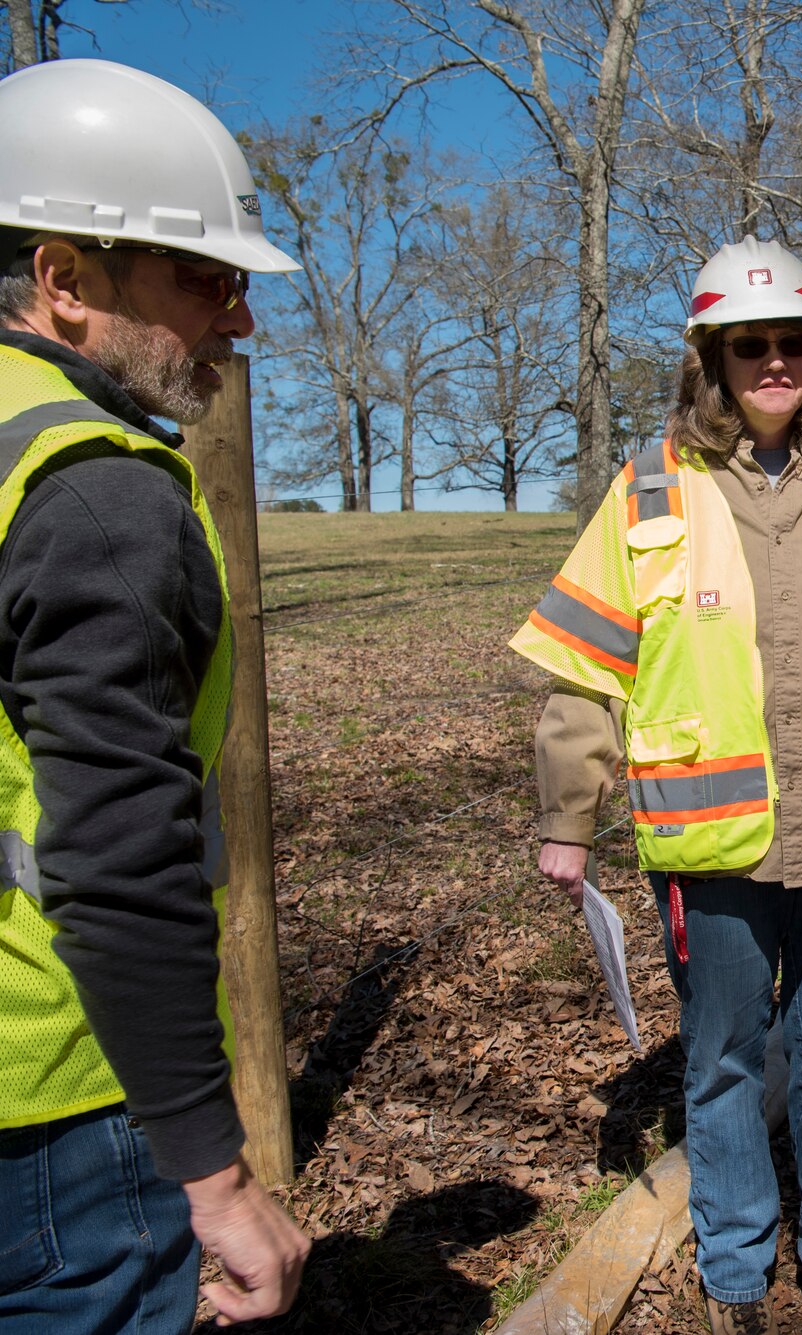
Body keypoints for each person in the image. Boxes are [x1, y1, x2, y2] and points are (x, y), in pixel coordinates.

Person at [510, 236, 802, 1335]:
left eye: (793, 343)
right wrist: (568, 819)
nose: (773, 364)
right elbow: (579, 669)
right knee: (722, 1063)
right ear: (710, 358)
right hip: (711, 851)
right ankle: (737, 1272)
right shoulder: (647, 488)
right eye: (748, 345)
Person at [0, 59, 311, 1332]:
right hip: (55, 1104)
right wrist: (215, 1170)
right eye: (206, 278)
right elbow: (118, 849)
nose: (238, 322)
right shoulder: (93, 488)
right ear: (66, 281)